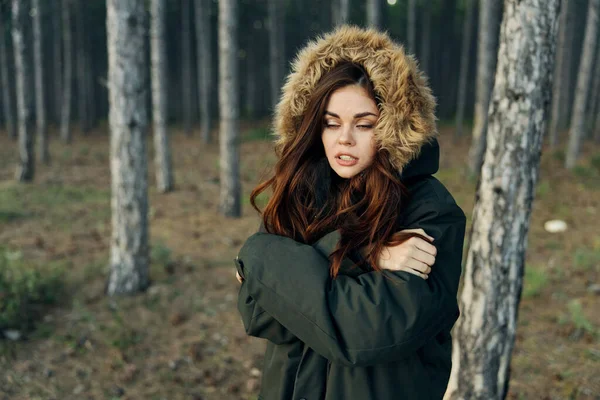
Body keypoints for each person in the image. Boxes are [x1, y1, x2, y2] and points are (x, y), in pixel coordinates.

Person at [234, 25, 466, 400]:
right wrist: (366, 254)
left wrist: (262, 260)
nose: (344, 139)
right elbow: (256, 314)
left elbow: (361, 332)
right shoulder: (302, 195)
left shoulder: (430, 211)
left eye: (364, 124)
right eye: (331, 123)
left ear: (392, 128)